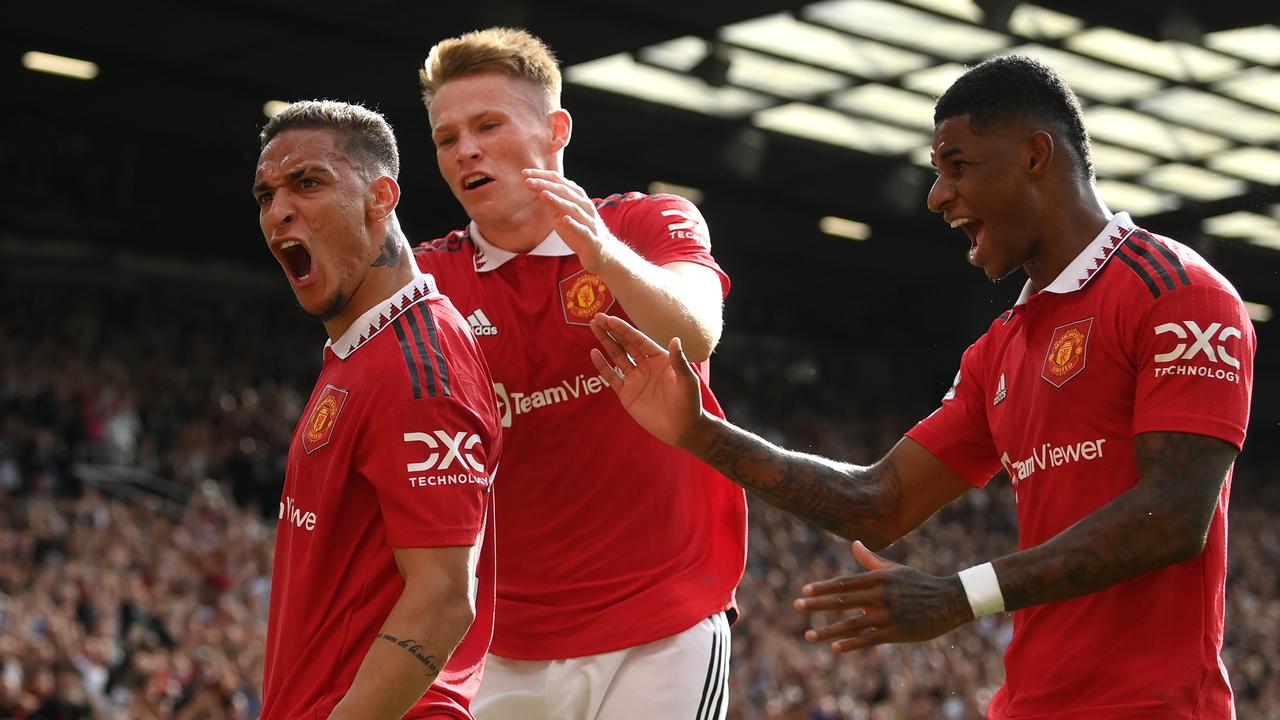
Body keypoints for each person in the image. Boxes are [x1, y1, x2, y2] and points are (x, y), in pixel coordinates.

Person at [590, 55, 1255, 718]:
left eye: (958, 165)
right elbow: (878, 501)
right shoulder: (1000, 349)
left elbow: (1173, 514)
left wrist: (961, 594)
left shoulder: (1176, 293)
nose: (938, 196)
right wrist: (699, 431)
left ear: (1034, 155)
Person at [414, 27, 747, 720]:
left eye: (487, 125)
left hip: (663, 620)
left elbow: (697, 329)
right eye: (447, 138)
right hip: (501, 643)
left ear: (555, 129)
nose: (465, 150)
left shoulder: (651, 222)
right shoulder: (427, 281)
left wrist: (601, 252)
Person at [253, 100, 502, 720]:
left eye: (308, 183)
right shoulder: (361, 348)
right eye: (265, 194)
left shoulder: (422, 366)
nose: (279, 209)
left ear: (381, 197)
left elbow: (446, 598)